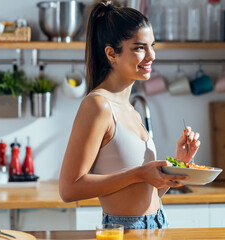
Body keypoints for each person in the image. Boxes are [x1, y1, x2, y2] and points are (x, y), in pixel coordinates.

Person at [59, 0, 201, 229]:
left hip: (156, 225)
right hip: (124, 230)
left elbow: (146, 195)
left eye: (152, 45)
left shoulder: (132, 111)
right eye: (139, 48)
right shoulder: (98, 105)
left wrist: (179, 163)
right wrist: (139, 174)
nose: (151, 55)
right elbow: (69, 189)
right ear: (111, 54)